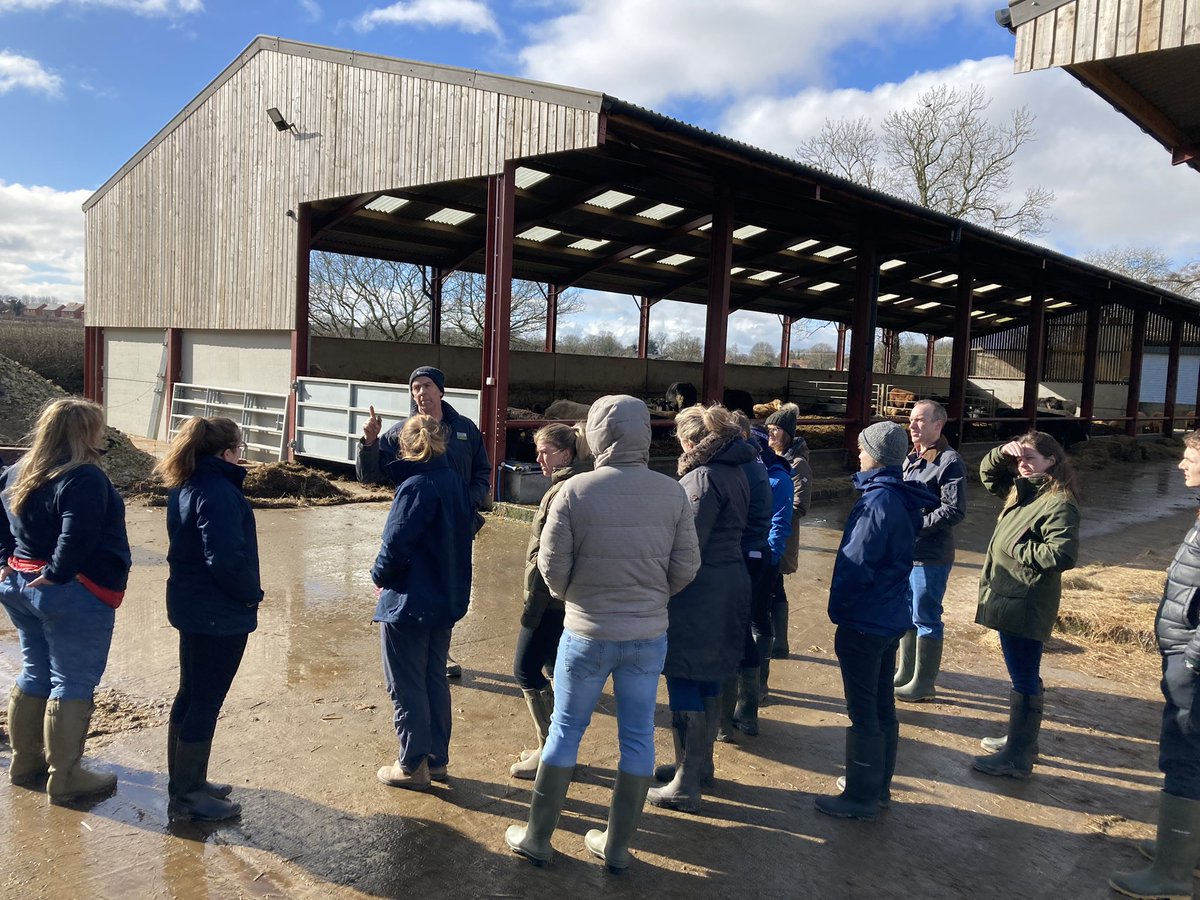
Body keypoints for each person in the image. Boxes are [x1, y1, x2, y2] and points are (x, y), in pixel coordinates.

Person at [505, 395, 699, 873]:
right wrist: (650, 598)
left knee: (566, 730)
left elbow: (551, 566)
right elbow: (686, 566)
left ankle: (538, 836)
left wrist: (578, 597)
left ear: (596, 435)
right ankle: (615, 846)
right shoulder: (672, 492)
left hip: (586, 632)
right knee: (637, 737)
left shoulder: (575, 492)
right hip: (647, 635)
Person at [0, 398, 132, 803]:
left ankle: (25, 764)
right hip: (67, 589)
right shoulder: (83, 477)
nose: (102, 436)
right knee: (72, 680)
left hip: (20, 582)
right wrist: (56, 572)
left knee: (36, 670)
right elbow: (76, 536)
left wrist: (5, 559)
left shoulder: (20, 470)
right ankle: (66, 776)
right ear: (85, 432)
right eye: (98, 428)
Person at [816, 421, 936, 821]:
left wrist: (841, 611)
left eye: (862, 449)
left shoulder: (876, 502)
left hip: (865, 619)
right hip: (890, 615)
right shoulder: (900, 497)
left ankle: (861, 797)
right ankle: (879, 787)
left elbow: (856, 564)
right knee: (883, 704)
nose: (859, 455)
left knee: (864, 709)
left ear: (878, 456)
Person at [156, 416, 262, 821]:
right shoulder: (218, 491)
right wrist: (250, 595)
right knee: (203, 700)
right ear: (228, 452)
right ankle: (187, 795)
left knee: (191, 694)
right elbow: (226, 559)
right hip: (217, 613)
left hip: (194, 606)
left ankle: (188, 782)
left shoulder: (187, 482)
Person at [648, 403, 752, 815]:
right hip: (728, 582)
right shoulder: (736, 469)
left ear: (691, 441)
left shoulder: (701, 477)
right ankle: (698, 764)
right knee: (708, 676)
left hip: (701, 590)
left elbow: (687, 544)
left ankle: (686, 782)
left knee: (685, 674)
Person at [1110, 431, 1200, 899]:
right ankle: (1188, 850)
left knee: (1186, 753)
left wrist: (1192, 656)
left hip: (1193, 662)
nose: (1181, 465)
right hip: (1185, 650)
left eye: (1190, 458)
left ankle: (1172, 874)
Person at [357, 366, 490, 680]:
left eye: (427, 385)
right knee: (423, 579)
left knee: (450, 580)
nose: (421, 393)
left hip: (457, 524)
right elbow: (369, 476)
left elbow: (481, 472)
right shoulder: (403, 431)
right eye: (415, 387)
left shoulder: (465, 429)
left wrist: (466, 503)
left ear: (441, 391)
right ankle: (433, 655)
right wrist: (370, 441)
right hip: (418, 523)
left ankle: (438, 649)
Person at [372, 414, 474, 791]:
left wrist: (379, 577)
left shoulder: (415, 486)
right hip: (444, 596)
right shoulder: (453, 482)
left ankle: (412, 762)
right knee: (433, 678)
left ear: (405, 446)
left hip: (411, 599)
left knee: (406, 683)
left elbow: (395, 545)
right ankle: (437, 758)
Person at [973, 431, 1080, 780]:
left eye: (1030, 458)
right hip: (1011, 594)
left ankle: (1017, 756)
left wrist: (1015, 549)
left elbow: (1061, 554)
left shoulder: (1058, 502)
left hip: (1027, 599)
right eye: (1020, 458)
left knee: (1023, 675)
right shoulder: (1025, 491)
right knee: (1022, 673)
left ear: (1052, 460)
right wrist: (1001, 452)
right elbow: (988, 475)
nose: (1022, 464)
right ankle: (1021, 740)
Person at [509, 422, 591, 779]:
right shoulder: (577, 484)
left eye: (545, 451)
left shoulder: (563, 491)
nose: (538, 458)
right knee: (555, 672)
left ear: (566, 453)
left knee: (525, 669)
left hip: (551, 602)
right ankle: (558, 748)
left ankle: (549, 751)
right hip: (566, 601)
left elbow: (548, 557)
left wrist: (534, 605)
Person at [894, 400, 967, 702]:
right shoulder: (911, 458)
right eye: (911, 420)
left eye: (920, 421)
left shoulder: (950, 462)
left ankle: (924, 682)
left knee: (926, 615)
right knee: (907, 613)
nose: (912, 426)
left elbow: (953, 510)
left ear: (939, 425)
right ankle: (905, 671)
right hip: (908, 552)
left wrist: (915, 525)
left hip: (930, 554)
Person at [765, 403, 811, 659]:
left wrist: (773, 515)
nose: (771, 435)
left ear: (788, 433)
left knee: (775, 584)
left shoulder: (797, 464)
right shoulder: (773, 459)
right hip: (772, 529)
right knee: (774, 585)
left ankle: (779, 642)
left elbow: (800, 505)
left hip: (781, 533)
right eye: (769, 429)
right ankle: (778, 642)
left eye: (776, 430)